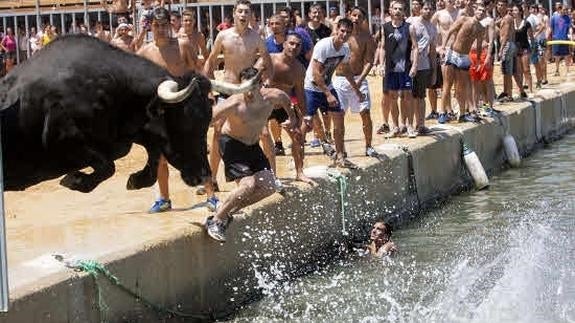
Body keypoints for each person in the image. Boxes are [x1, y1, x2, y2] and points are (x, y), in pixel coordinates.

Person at [205, 67, 297, 242]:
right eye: (244, 87)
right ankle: (215, 221)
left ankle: (226, 213)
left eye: (251, 87)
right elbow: (210, 118)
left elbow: (287, 101)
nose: (248, 92)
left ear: (260, 84)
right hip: (232, 144)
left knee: (269, 186)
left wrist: (292, 118)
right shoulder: (234, 103)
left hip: (252, 146)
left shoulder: (273, 96)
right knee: (248, 185)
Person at [202, 0, 273, 197]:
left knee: (261, 132)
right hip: (227, 87)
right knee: (217, 132)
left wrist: (267, 81)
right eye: (240, 11)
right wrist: (208, 87)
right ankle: (212, 179)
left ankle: (265, 174)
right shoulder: (223, 35)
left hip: (248, 90)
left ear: (251, 15)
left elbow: (267, 61)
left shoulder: (256, 37)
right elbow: (211, 60)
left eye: (246, 12)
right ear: (234, 13)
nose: (243, 15)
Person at [138, 8, 203, 213]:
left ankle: (210, 195)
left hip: (183, 106)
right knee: (159, 156)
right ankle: (164, 198)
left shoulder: (182, 45)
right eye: (156, 26)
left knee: (194, 150)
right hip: (158, 110)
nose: (160, 29)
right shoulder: (145, 51)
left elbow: (197, 71)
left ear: (170, 25)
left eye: (164, 25)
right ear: (151, 27)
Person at [302, 18, 363, 168]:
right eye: (342, 31)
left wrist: (357, 90)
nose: (344, 34)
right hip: (311, 87)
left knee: (339, 120)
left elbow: (347, 70)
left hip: (328, 86)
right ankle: (299, 161)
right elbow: (316, 73)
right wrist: (328, 94)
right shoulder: (323, 45)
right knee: (306, 124)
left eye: (348, 32)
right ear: (337, 29)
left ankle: (340, 156)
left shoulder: (345, 49)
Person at [266, 32, 315, 185]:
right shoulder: (270, 60)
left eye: (298, 45)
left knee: (298, 136)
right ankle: (272, 175)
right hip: (264, 104)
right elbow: (251, 77)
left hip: (284, 106)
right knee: (262, 135)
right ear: (284, 44)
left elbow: (300, 95)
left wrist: (306, 116)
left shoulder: (299, 69)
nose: (294, 47)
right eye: (291, 43)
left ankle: (300, 172)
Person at [333, 7, 379, 156]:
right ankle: (340, 150)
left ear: (363, 19)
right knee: (339, 116)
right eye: (354, 15)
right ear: (349, 16)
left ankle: (369, 146)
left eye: (359, 16)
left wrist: (360, 80)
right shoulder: (339, 35)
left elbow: (369, 61)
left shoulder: (367, 37)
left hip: (359, 78)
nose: (356, 19)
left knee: (365, 113)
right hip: (340, 79)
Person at [439, 3, 486, 123]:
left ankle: (462, 114)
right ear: (475, 10)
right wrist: (443, 47)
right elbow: (450, 31)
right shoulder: (464, 19)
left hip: (464, 57)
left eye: (483, 11)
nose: (481, 13)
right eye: (479, 10)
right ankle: (442, 112)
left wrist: (479, 61)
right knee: (447, 85)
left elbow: (479, 46)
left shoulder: (481, 29)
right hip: (453, 53)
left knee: (462, 87)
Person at [381, 0, 419, 137]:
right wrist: (380, 64)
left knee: (407, 97)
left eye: (400, 9)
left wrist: (414, 65)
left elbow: (415, 48)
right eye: (395, 9)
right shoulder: (385, 27)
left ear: (404, 12)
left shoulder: (409, 27)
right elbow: (383, 48)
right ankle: (395, 127)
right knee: (392, 97)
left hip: (405, 68)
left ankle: (409, 126)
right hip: (391, 69)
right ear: (390, 11)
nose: (397, 11)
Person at [430, 0, 460, 121]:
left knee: (460, 83)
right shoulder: (439, 14)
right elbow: (429, 29)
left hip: (459, 50)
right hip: (445, 50)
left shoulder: (460, 13)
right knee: (446, 83)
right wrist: (437, 47)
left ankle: (457, 109)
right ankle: (445, 110)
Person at [411, 1, 437, 135]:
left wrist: (434, 72)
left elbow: (432, 52)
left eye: (431, 9)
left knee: (421, 96)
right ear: (420, 9)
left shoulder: (433, 28)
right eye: (426, 8)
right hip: (409, 64)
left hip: (424, 65)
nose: (428, 11)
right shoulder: (412, 23)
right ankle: (408, 125)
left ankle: (420, 124)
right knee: (409, 96)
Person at [550, 3, 571, 77]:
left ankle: (567, 70)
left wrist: (569, 35)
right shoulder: (554, 17)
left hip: (565, 39)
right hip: (556, 39)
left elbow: (569, 28)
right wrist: (553, 36)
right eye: (564, 9)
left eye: (566, 10)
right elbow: (551, 28)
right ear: (559, 9)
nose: (565, 11)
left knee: (566, 55)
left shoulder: (567, 18)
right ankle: (557, 70)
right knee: (557, 55)